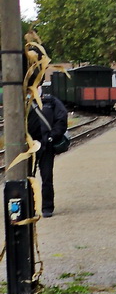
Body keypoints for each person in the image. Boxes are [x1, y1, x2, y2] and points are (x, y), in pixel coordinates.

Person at [28, 90, 68, 218]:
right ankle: (30, 206)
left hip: (45, 145)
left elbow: (62, 117)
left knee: (46, 177)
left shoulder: (50, 101)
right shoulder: (24, 101)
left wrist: (52, 136)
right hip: (28, 146)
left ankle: (47, 207)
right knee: (28, 178)